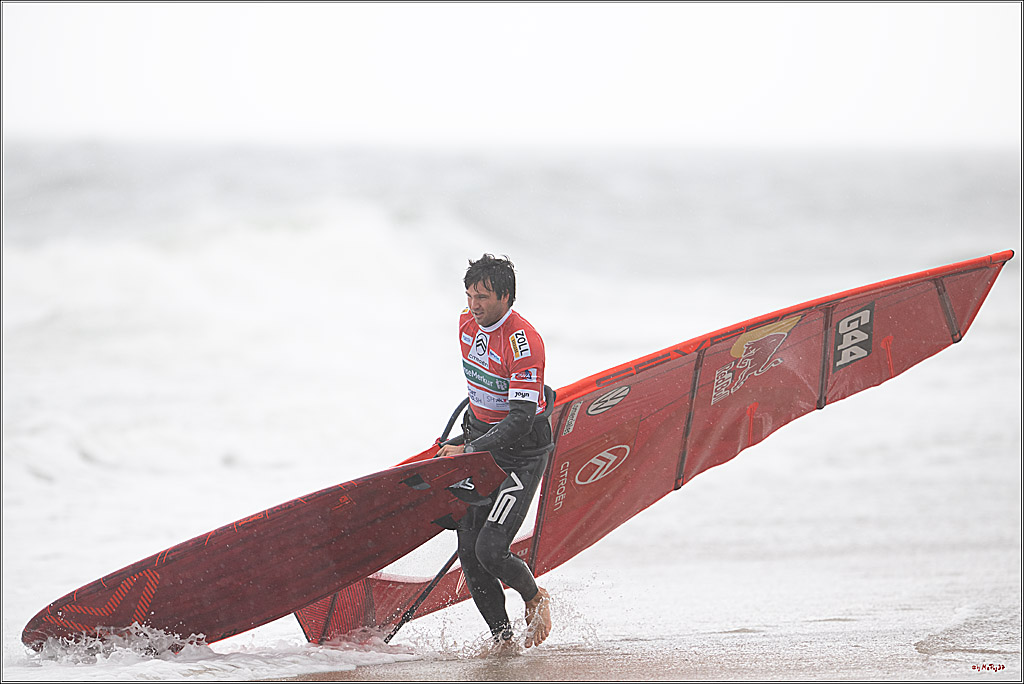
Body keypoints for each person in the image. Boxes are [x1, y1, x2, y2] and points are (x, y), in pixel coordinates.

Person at [436, 254, 553, 650]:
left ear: (506, 296)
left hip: (521, 453)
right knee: (469, 555)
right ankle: (503, 643)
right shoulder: (466, 323)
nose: (474, 305)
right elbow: (480, 391)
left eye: (483, 296)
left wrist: (469, 449)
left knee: (491, 549)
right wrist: (464, 440)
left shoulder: (524, 344)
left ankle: (535, 597)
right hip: (481, 444)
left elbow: (520, 419)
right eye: (469, 295)